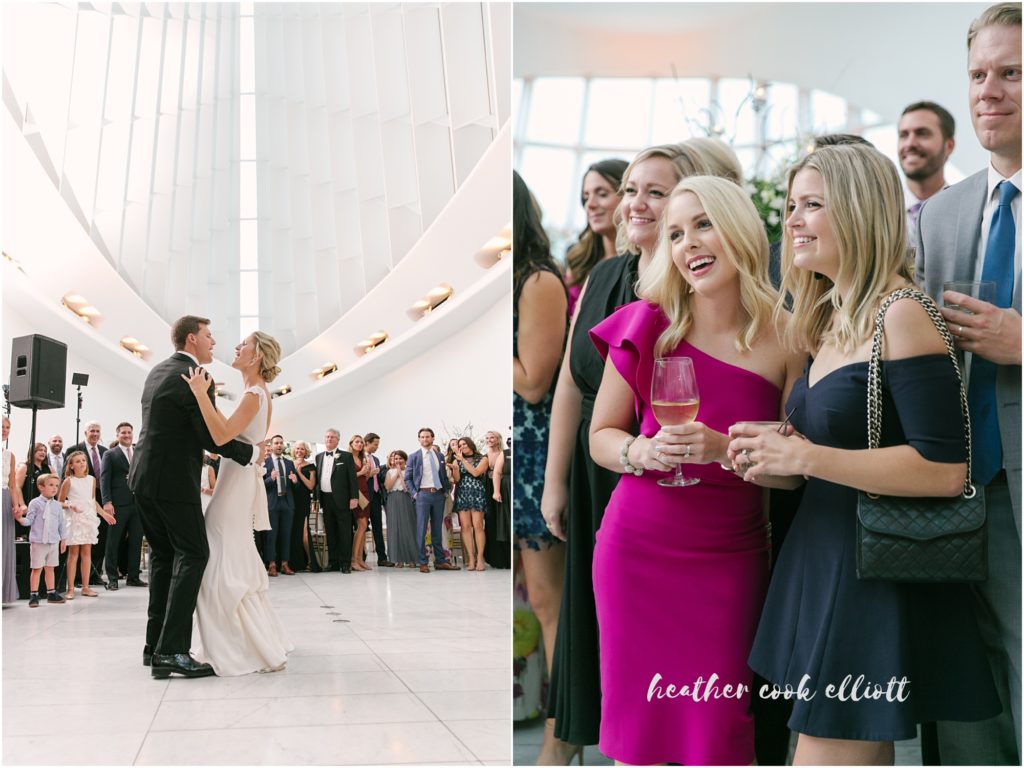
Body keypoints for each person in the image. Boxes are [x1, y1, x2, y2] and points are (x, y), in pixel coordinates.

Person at [726, 143, 1001, 764]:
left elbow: (945, 469)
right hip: (824, 558)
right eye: (791, 205)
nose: (792, 220)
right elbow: (826, 453)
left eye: (812, 205)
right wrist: (766, 455)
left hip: (871, 574)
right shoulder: (830, 317)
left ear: (857, 210)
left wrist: (807, 459)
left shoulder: (902, 314)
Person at [587, 174, 801, 764]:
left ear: (739, 230)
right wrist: (639, 453)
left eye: (703, 224)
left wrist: (723, 450)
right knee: (638, 738)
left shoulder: (789, 338)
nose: (689, 244)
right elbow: (601, 436)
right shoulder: (647, 323)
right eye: (676, 234)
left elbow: (793, 473)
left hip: (731, 561)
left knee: (718, 734)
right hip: (636, 552)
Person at [542, 143, 711, 760]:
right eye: (632, 189)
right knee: (591, 619)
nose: (636, 203)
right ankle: (588, 744)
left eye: (655, 192)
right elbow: (569, 381)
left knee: (652, 629)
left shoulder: (696, 282)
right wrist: (555, 482)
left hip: (662, 472)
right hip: (595, 462)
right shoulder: (602, 276)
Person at [914, 5, 1022, 763]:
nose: (990, 90)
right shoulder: (940, 215)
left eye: (1012, 73)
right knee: (962, 681)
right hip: (950, 488)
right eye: (979, 74)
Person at [129, 315, 268, 679]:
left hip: (143, 478)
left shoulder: (158, 370)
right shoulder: (196, 377)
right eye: (209, 335)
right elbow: (213, 437)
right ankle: (172, 651)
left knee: (164, 557)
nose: (213, 342)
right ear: (192, 339)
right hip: (173, 482)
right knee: (193, 554)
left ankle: (154, 646)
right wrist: (252, 454)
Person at [181, 330, 292, 676]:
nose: (236, 347)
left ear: (256, 356)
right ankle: (243, 634)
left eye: (243, 344)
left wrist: (201, 395)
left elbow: (220, 436)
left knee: (219, 554)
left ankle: (235, 643)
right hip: (236, 477)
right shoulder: (255, 393)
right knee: (229, 552)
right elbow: (228, 435)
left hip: (235, 483)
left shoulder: (254, 394)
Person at [565, 159, 629, 317]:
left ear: (628, 197)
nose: (590, 205)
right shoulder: (579, 259)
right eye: (586, 197)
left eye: (602, 194)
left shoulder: (641, 265)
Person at [59, 451, 114, 599]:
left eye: (83, 460)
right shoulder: (68, 481)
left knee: (86, 553)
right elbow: (59, 502)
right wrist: (70, 505)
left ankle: (85, 587)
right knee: (73, 554)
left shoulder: (92, 480)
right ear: (71, 465)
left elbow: (92, 501)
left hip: (88, 519)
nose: (82, 463)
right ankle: (71, 589)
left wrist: (104, 514)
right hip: (75, 519)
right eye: (77, 461)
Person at [405, 427, 460, 573]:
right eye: (422, 437)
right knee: (422, 529)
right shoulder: (414, 456)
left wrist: (445, 491)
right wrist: (415, 494)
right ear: (419, 439)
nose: (425, 439)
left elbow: (443, 476)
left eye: (428, 436)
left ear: (433, 438)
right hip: (422, 495)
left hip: (438, 496)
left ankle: (440, 561)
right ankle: (423, 562)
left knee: (437, 530)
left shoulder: (439, 456)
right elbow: (408, 478)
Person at [898, 101, 956, 233]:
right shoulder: (879, 212)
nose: (910, 143)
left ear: (949, 146)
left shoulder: (968, 211)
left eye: (922, 133)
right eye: (904, 135)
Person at [101, 421, 145, 590]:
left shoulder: (139, 452)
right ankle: (112, 578)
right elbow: (104, 479)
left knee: (135, 541)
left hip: (138, 504)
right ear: (117, 435)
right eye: (123, 433)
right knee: (113, 541)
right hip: (118, 503)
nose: (127, 435)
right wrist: (107, 502)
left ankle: (133, 576)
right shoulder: (110, 454)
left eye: (129, 432)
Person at [65, 421, 108, 585]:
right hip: (77, 500)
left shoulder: (105, 451)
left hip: (98, 499)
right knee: (77, 545)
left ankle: (93, 576)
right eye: (92, 431)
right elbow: (65, 477)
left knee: (98, 539)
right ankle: (75, 579)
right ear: (85, 432)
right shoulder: (74, 449)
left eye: (97, 431)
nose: (95, 434)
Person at [16, 474, 68, 607]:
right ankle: (34, 594)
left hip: (53, 542)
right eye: (51, 485)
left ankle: (51, 593)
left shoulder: (57, 505)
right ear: (41, 487)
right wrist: (20, 519)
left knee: (50, 568)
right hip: (38, 542)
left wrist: (63, 540)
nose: (54, 488)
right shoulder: (35, 503)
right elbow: (29, 520)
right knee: (37, 569)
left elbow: (61, 524)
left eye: (56, 486)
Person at [314, 429, 359, 573]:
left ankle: (345, 563)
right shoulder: (319, 457)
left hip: (342, 499)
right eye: (327, 436)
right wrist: (316, 499)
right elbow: (318, 480)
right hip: (325, 499)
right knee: (330, 531)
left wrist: (354, 497)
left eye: (332, 437)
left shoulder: (346, 456)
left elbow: (352, 478)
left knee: (345, 532)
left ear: (338, 440)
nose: (329, 439)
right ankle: (333, 562)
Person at [451, 437, 489, 571]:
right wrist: (455, 468)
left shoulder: (482, 458)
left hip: (477, 493)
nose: (462, 446)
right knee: (465, 527)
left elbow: (476, 473)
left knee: (478, 526)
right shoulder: (456, 460)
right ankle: (471, 558)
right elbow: (457, 479)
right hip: (462, 493)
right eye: (460, 445)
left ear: (470, 444)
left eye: (464, 444)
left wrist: (462, 460)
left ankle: (480, 558)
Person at [263, 434, 296, 577]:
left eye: (281, 443)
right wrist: (270, 479)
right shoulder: (265, 463)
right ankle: (271, 565)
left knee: (286, 534)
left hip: (287, 503)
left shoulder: (289, 463)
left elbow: (295, 487)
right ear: (271, 446)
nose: (279, 445)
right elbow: (260, 485)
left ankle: (284, 564)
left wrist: (295, 481)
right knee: (271, 535)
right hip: (272, 503)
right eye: (276, 443)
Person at [3, 416, 25, 604]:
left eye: (7, 427)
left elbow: (12, 484)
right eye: (1, 426)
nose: (4, 430)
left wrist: (16, 505)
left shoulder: (9, 455)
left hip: (4, 499)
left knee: (4, 545)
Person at [384, 451, 418, 568]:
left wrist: (401, 474)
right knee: (394, 528)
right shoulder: (389, 472)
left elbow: (406, 488)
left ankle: (412, 558)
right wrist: (396, 473)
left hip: (406, 499)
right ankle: (398, 559)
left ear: (405, 460)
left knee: (408, 527)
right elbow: (388, 487)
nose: (398, 461)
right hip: (393, 499)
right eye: (396, 459)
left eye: (400, 458)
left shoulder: (410, 471)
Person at [363, 432, 391, 567]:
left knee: (378, 527)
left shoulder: (376, 459)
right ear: (367, 443)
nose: (377, 447)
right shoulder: (358, 458)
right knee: (362, 527)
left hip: (375, 496)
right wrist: (369, 475)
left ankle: (382, 558)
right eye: (375, 444)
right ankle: (360, 557)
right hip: (363, 496)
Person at [483, 430, 511, 569]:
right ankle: (495, 557)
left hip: (504, 489)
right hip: (488, 489)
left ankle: (507, 557)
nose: (489, 440)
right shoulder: (483, 456)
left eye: (492, 437)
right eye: (487, 438)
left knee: (503, 521)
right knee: (491, 521)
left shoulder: (505, 454)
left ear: (498, 439)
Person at [289, 441, 317, 572]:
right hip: (290, 501)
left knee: (304, 532)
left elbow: (311, 486)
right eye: (297, 449)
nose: (299, 451)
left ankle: (311, 562)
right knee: (292, 532)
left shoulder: (311, 466)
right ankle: (295, 563)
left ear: (306, 451)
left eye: (302, 449)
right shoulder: (289, 464)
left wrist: (299, 473)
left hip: (303, 502)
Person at [348, 434, 374, 571]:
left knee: (364, 526)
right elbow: (345, 477)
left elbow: (365, 476)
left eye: (361, 442)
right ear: (351, 443)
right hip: (355, 493)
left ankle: (360, 559)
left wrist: (368, 473)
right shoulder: (347, 458)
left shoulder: (363, 458)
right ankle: (353, 560)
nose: (359, 444)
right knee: (362, 525)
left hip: (365, 491)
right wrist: (360, 472)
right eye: (357, 442)